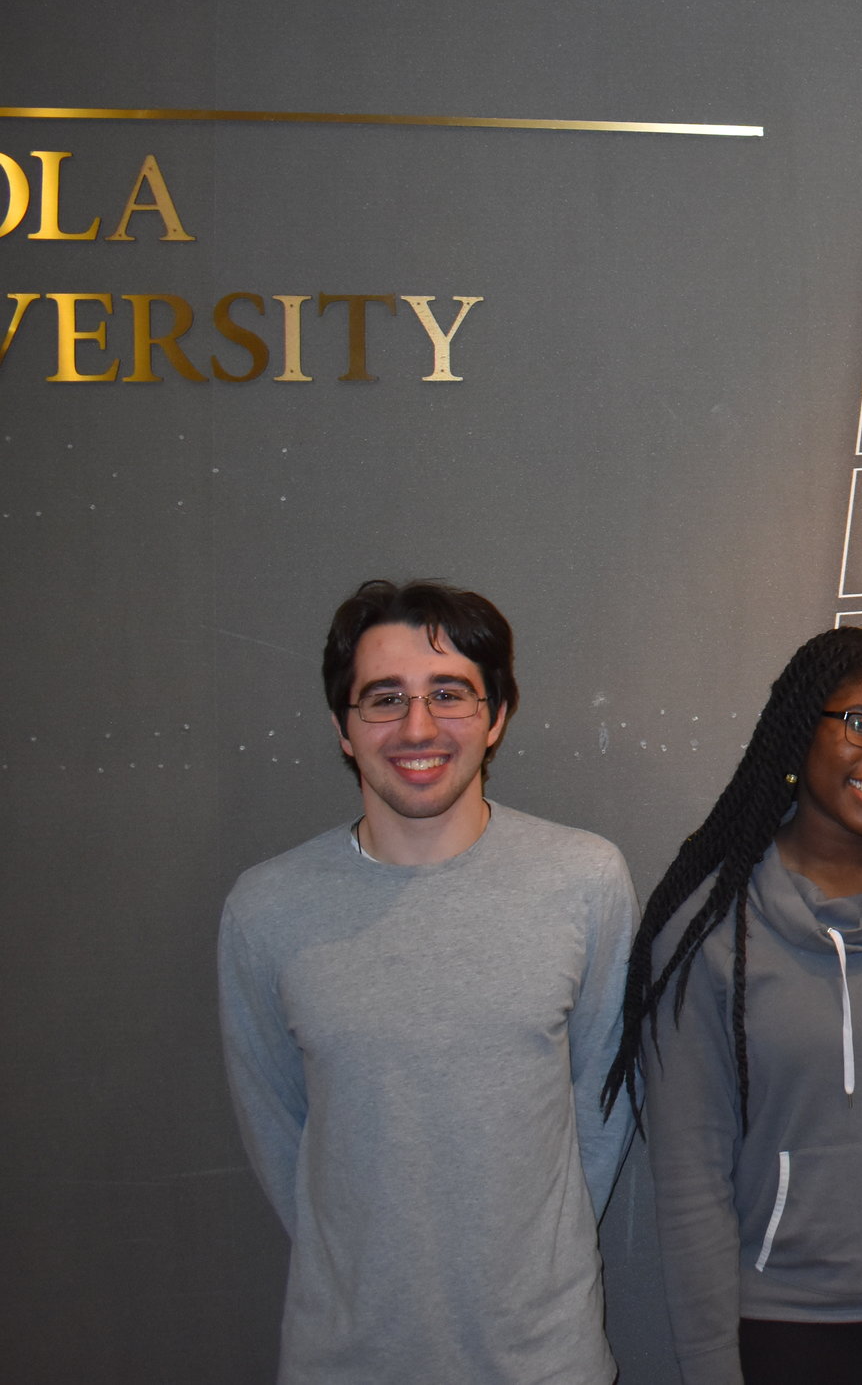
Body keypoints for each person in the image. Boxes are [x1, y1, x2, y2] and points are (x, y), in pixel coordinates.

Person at [216, 579, 636, 1385]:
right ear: (344, 726)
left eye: (450, 693)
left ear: (497, 715)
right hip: (346, 1361)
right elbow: (276, 1129)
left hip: (544, 1361)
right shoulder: (266, 908)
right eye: (384, 698)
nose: (417, 726)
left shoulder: (584, 880)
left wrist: (528, 1271)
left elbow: (601, 1105)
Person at [605, 628, 862, 1385]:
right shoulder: (709, 928)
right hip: (792, 1321)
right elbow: (692, 1176)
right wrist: (708, 1365)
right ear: (803, 727)